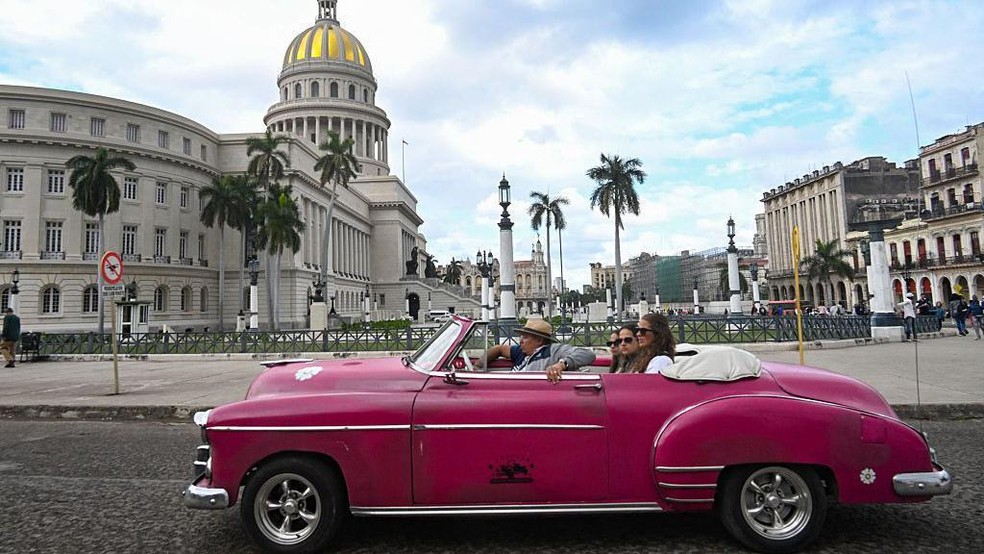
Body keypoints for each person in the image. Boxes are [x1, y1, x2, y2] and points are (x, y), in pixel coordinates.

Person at [479, 320, 596, 382]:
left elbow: (587, 354)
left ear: (539, 340)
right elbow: (499, 349)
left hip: (531, 395)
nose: (521, 341)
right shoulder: (522, 352)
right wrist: (477, 366)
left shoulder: (552, 350)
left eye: (525, 337)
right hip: (514, 391)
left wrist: (561, 365)